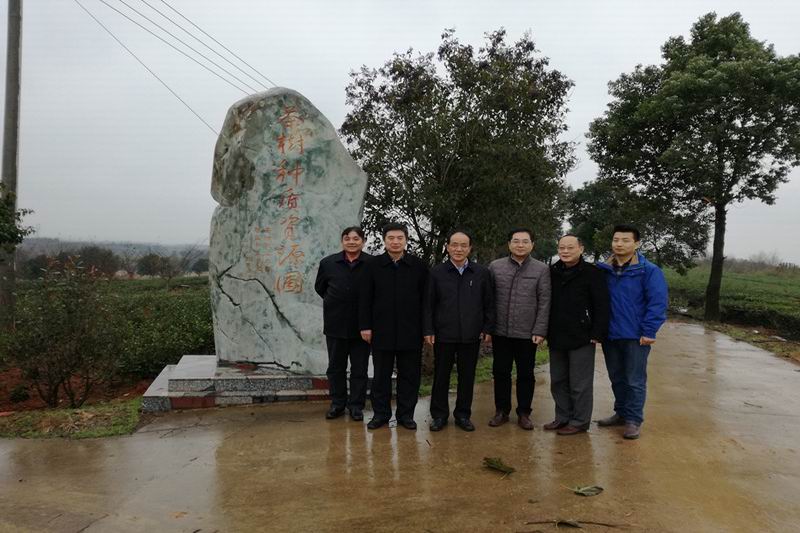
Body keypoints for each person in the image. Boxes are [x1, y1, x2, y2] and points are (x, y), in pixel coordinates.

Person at [596, 224, 668, 440]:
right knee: (616, 377)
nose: (619, 244)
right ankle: (621, 413)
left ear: (636, 244)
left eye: (625, 240)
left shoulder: (648, 271)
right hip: (610, 334)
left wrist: (649, 331)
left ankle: (633, 420)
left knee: (634, 379)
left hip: (636, 336)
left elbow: (657, 303)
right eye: (616, 240)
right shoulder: (604, 270)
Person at [359, 222, 429, 430]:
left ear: (406, 240)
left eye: (400, 238)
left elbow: (426, 300)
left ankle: (406, 415)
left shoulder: (418, 266)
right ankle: (381, 414)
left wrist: (426, 329)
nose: (395, 242)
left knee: (409, 375)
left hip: (411, 330)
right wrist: (365, 326)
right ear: (384, 240)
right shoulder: (372, 265)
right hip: (381, 330)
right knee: (381, 376)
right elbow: (365, 298)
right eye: (391, 238)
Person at [424, 230, 494, 432]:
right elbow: (428, 304)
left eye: (463, 245)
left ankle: (463, 415)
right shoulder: (436, 273)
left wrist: (488, 327)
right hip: (443, 334)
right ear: (447, 247)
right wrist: (428, 329)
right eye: (454, 244)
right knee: (441, 376)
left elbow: (489, 303)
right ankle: (439, 415)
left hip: (471, 334)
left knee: (467, 376)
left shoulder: (481, 273)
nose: (458, 249)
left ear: (470, 248)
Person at [544, 234, 609, 435]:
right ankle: (562, 417)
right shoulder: (552, 272)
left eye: (570, 247)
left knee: (580, 383)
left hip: (582, 335)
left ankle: (580, 421)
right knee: (558, 380)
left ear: (581, 249)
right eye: (562, 247)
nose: (565, 251)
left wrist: (597, 332)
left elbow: (602, 304)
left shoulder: (592, 273)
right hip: (556, 334)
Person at [488, 228, 551, 430]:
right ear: (509, 244)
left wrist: (540, 330)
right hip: (500, 331)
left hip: (527, 332)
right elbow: (488, 299)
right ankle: (501, 411)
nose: (520, 245)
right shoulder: (495, 267)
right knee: (500, 372)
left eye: (525, 241)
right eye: (516, 241)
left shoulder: (541, 269)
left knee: (526, 374)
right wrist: (488, 328)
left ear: (532, 244)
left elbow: (544, 301)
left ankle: (524, 413)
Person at [314, 226, 373, 421]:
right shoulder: (328, 263)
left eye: (356, 238)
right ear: (342, 241)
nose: (351, 242)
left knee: (359, 369)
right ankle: (337, 403)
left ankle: (356, 406)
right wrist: (337, 301)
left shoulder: (372, 264)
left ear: (363, 241)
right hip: (335, 324)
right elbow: (320, 288)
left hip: (363, 327)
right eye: (347, 238)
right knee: (335, 368)